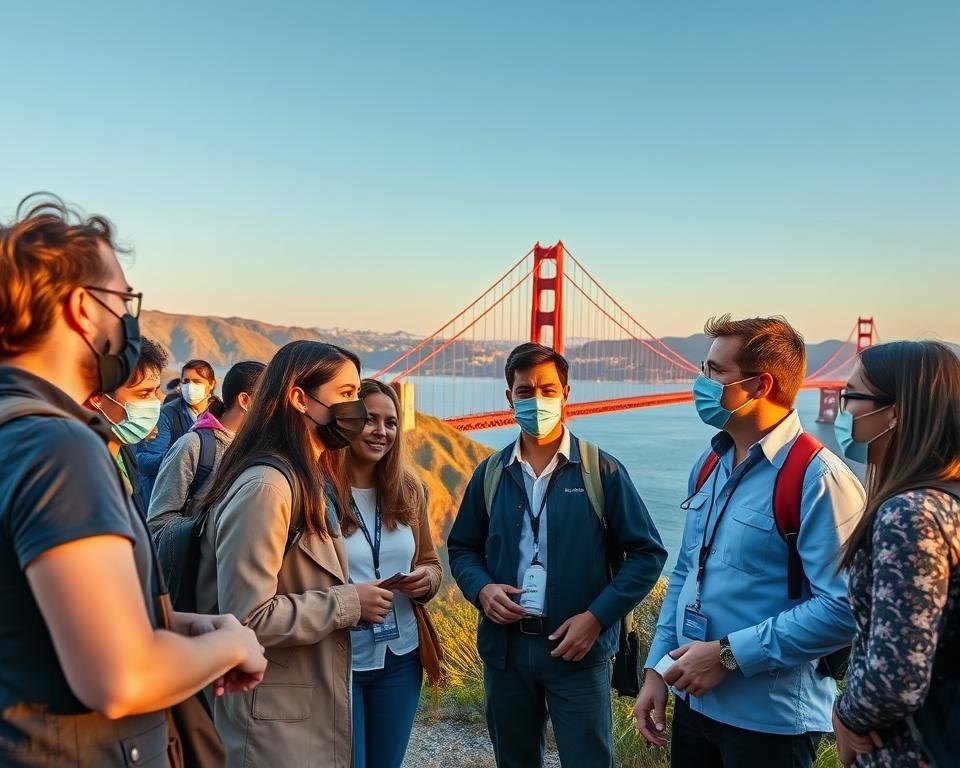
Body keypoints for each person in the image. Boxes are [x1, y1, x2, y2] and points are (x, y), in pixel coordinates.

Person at [0, 194, 266, 766]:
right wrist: (232, 642)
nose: (130, 321)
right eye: (123, 300)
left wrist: (175, 627)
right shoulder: (60, 446)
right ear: (80, 308)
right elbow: (120, 678)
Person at [635, 315, 866, 768]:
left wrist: (727, 656)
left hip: (770, 724)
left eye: (715, 372)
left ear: (760, 385)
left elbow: (845, 608)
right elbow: (687, 573)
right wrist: (657, 670)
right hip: (693, 706)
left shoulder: (820, 480)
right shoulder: (709, 461)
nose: (700, 382)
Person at [448, 342, 667, 768]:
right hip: (505, 651)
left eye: (547, 390)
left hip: (578, 651)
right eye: (525, 391)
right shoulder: (491, 473)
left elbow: (647, 554)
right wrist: (482, 589)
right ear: (509, 398)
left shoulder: (602, 471)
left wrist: (597, 618)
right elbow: (463, 548)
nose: (536, 400)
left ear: (566, 393)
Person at [196, 340, 395, 768]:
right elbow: (246, 618)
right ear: (298, 397)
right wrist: (349, 602)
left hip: (293, 715)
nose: (356, 408)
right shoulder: (268, 488)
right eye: (346, 395)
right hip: (270, 726)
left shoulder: (307, 479)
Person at [831, 341, 960, 768]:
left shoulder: (910, 515)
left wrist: (844, 714)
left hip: (908, 752)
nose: (842, 410)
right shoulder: (949, 502)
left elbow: (897, 677)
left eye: (852, 396)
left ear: (895, 411)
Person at [341, 378, 443, 768]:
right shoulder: (317, 492)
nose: (381, 431)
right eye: (369, 420)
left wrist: (426, 581)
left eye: (391, 422)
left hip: (401, 657)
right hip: (340, 658)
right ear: (348, 423)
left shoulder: (409, 489)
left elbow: (431, 563)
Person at [148, 360, 265, 527]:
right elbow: (158, 521)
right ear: (245, 400)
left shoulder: (260, 448)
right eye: (269, 398)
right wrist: (208, 534)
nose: (277, 407)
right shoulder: (193, 446)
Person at [89, 337, 168, 515]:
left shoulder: (124, 450)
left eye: (155, 391)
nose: (155, 402)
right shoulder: (77, 472)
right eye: (143, 393)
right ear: (97, 398)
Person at [138, 358, 217, 503]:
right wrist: (179, 456)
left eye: (197, 381)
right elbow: (145, 461)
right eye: (186, 381)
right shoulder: (167, 415)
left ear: (211, 384)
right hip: (167, 501)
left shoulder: (219, 414)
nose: (190, 386)